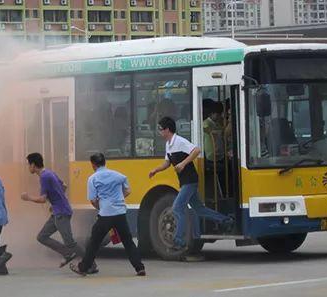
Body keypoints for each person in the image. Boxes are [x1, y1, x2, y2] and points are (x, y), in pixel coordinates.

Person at [149, 117, 234, 252]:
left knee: (177, 208)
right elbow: (167, 163)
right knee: (199, 209)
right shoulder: (168, 144)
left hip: (190, 181)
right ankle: (225, 220)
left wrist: (183, 163)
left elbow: (196, 150)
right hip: (184, 181)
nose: (159, 133)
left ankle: (179, 241)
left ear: (167, 130)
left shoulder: (180, 142)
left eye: (160, 129)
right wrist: (155, 170)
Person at [70, 153, 146, 276]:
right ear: (105, 162)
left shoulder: (93, 179)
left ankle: (83, 268)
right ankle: (139, 268)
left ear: (93, 165)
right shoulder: (118, 176)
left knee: (94, 241)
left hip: (105, 214)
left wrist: (102, 207)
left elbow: (93, 200)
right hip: (120, 213)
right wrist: (119, 199)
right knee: (128, 241)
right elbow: (128, 190)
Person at [21, 152, 97, 272]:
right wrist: (56, 201)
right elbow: (64, 186)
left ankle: (91, 264)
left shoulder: (44, 177)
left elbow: (42, 199)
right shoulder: (49, 173)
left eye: (28, 165)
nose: (28, 167)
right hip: (58, 211)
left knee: (70, 242)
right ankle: (67, 254)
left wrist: (28, 198)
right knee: (42, 236)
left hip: (62, 213)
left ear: (33, 165)